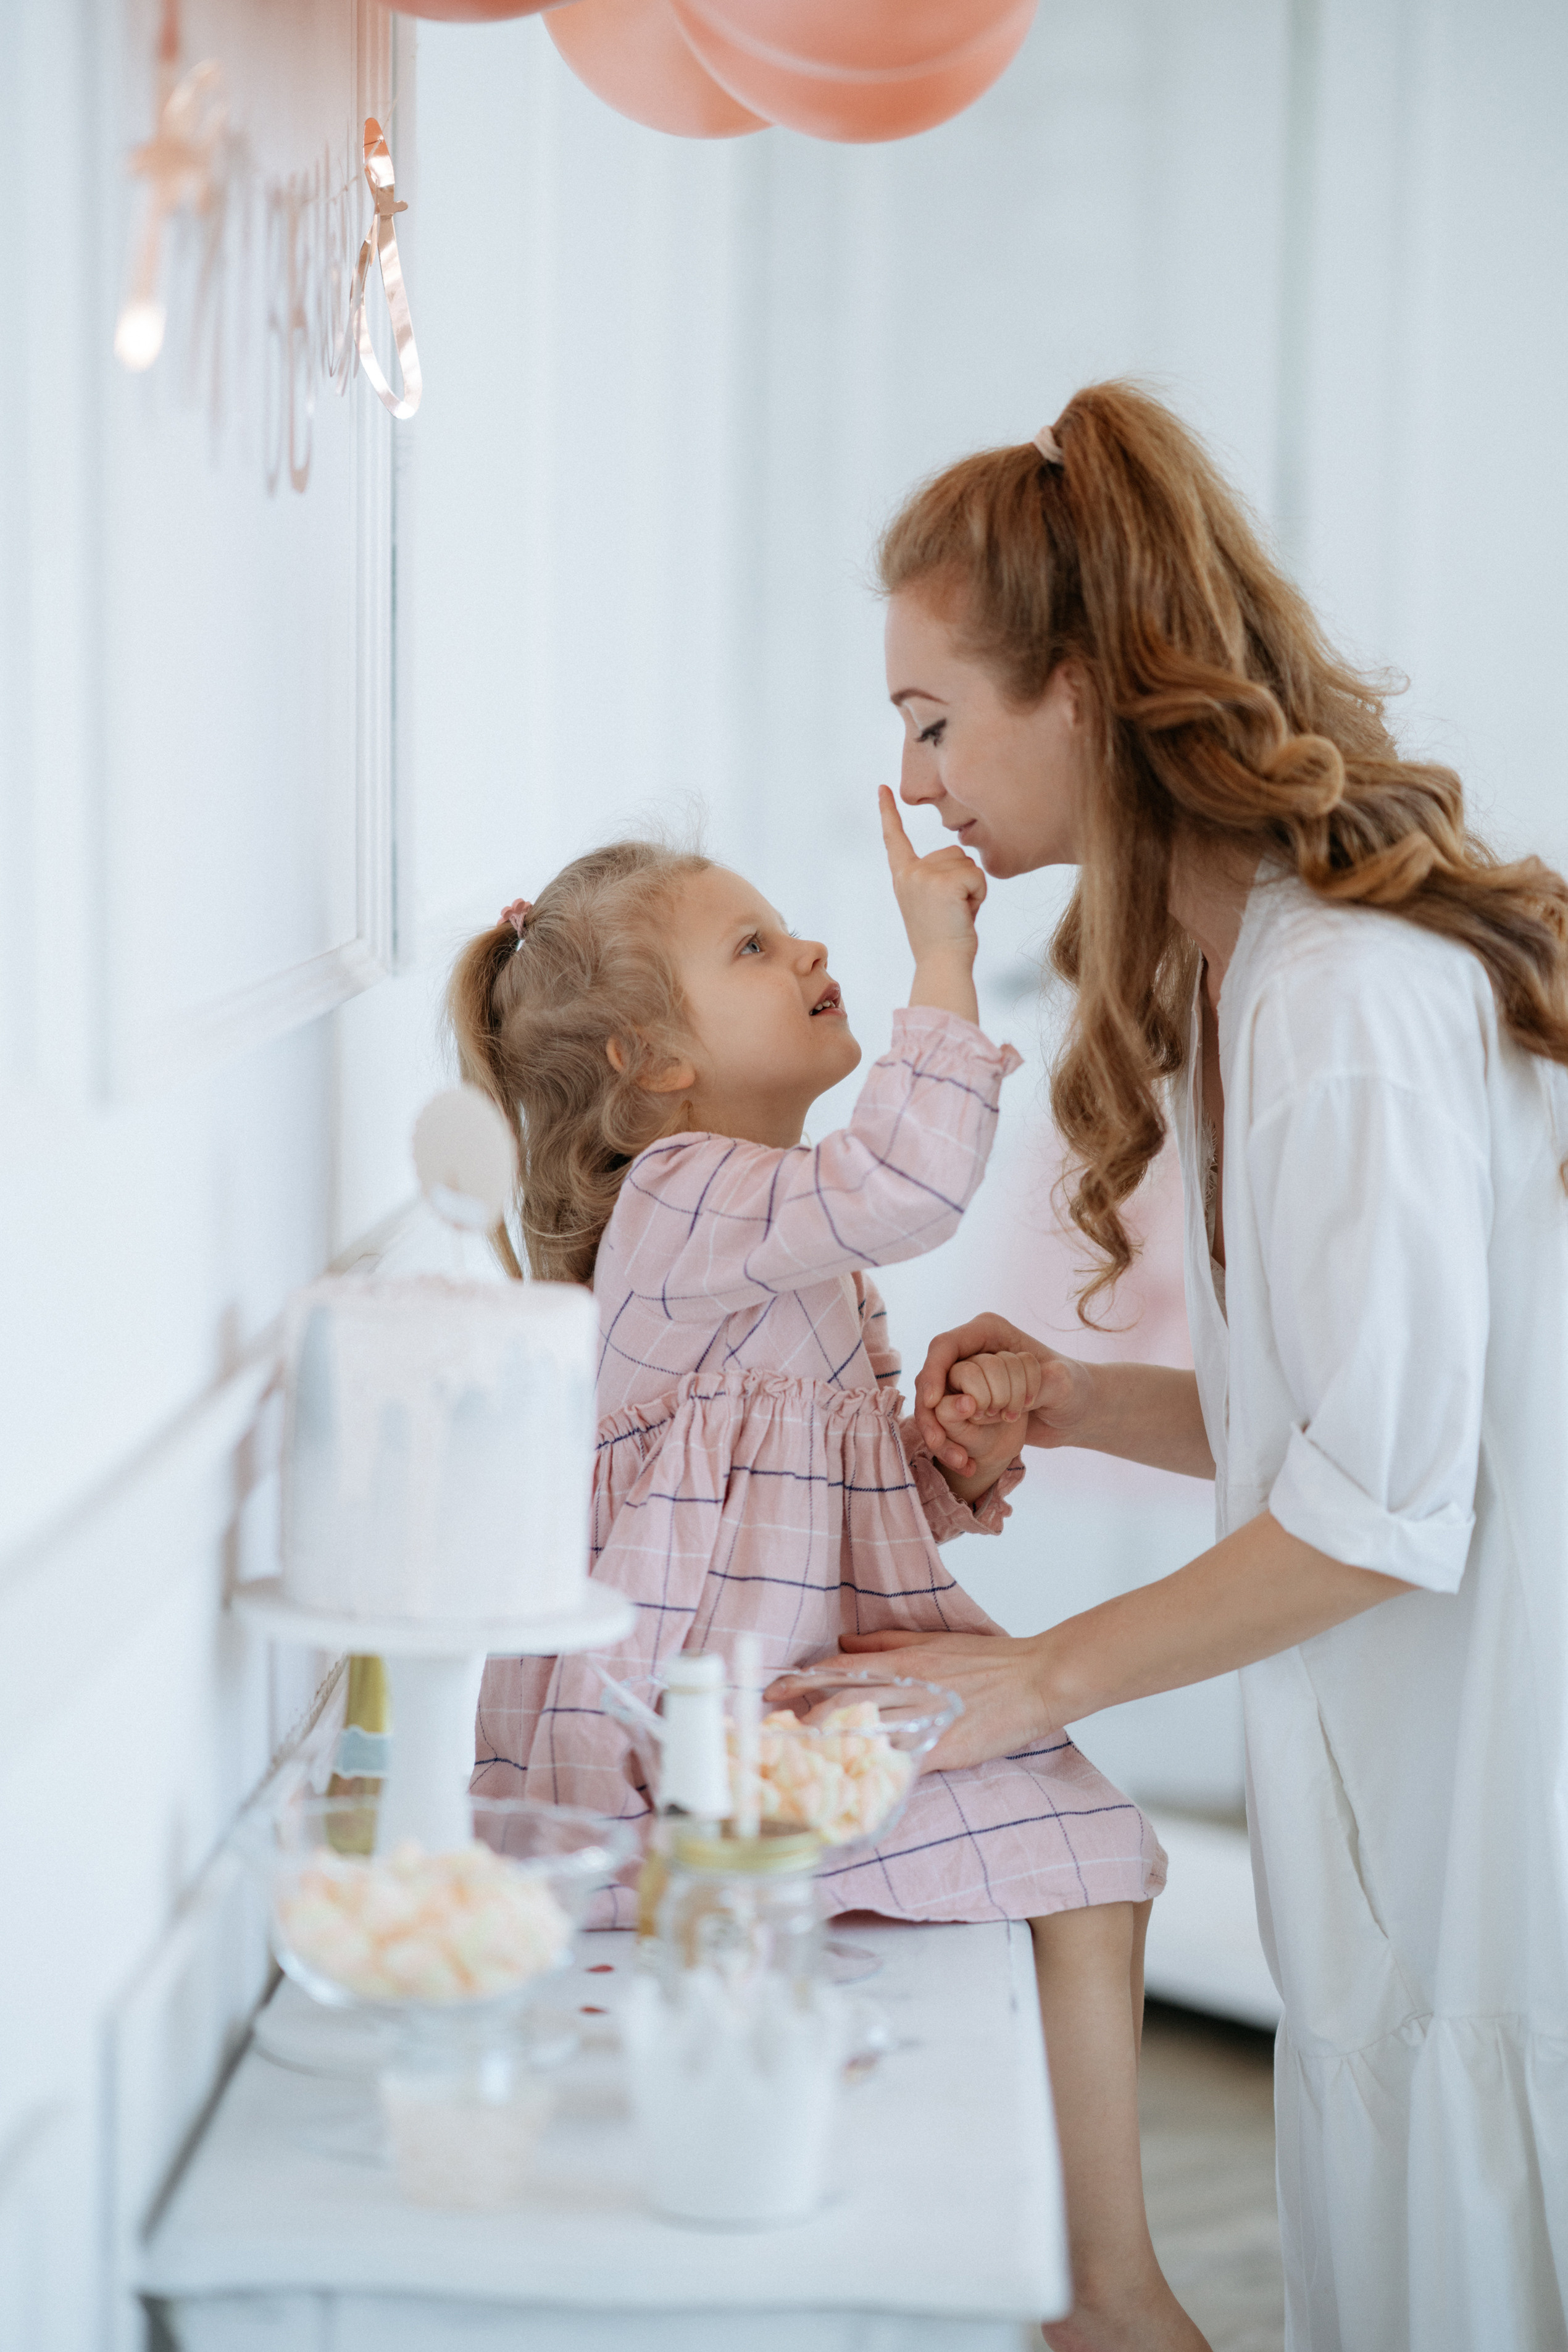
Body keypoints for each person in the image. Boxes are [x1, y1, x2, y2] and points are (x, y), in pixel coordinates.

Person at [842, 382, 1568, 2351]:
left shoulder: (1337, 998)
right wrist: (1081, 1402)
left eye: (931, 718)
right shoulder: (1250, 979)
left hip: (1485, 1762)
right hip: (1404, 1745)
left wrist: (1036, 1676)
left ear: (1075, 693)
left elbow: (1384, 1509)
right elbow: (1349, 1415)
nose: (913, 783)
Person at [449, 833, 1206, 2348]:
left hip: (793, 1699)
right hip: (674, 1733)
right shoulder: (678, 1200)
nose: (805, 953)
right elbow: (910, 1180)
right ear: (649, 1062)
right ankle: (1099, 2289)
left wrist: (956, 1455)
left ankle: (1098, 2285)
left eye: (789, 932)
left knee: (1101, 1851)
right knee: (1090, 1851)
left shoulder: (795, 1245)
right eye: (751, 947)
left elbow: (860, 1495)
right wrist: (942, 955)